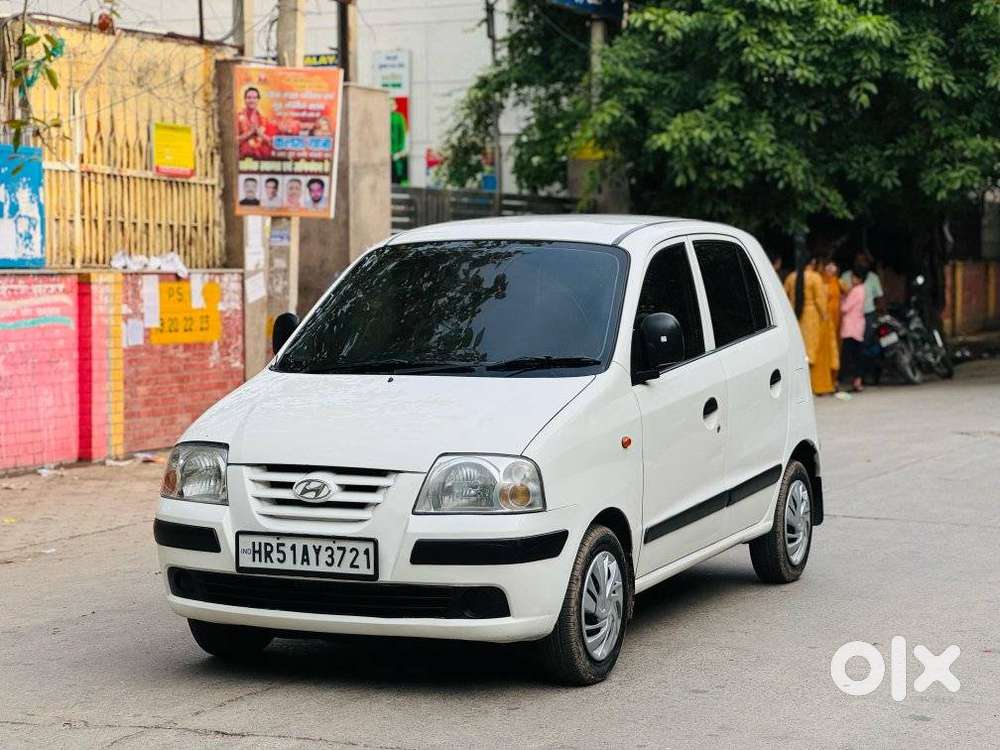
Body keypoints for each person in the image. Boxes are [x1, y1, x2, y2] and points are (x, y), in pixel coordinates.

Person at [784, 256, 830, 394]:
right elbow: (820, 299)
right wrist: (824, 316)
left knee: (799, 350)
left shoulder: (791, 277)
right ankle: (813, 386)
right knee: (812, 351)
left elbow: (784, 295)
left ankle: (798, 387)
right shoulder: (815, 277)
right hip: (812, 317)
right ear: (813, 263)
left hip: (794, 317)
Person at [840, 250, 884, 380]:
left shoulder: (873, 278)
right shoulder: (846, 276)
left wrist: (881, 312)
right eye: (859, 260)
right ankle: (856, 376)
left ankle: (861, 375)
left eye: (864, 260)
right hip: (854, 319)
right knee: (855, 348)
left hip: (867, 315)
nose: (861, 263)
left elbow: (879, 297)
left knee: (863, 345)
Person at [840, 267, 868, 392]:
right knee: (858, 355)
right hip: (858, 326)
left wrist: (841, 299)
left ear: (859, 279)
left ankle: (840, 381)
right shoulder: (862, 290)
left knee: (847, 356)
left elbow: (845, 308)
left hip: (851, 327)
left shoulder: (855, 291)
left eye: (853, 277)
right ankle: (858, 381)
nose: (851, 279)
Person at [821, 259, 842, 388]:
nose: (830, 272)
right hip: (825, 320)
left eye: (833, 270)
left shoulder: (839, 283)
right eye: (828, 269)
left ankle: (835, 379)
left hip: (837, 320)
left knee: (837, 350)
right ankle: (826, 380)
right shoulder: (821, 282)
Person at [237, 87, 271, 159]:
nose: (252, 100)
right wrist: (250, 133)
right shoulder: (237, 117)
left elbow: (271, 142)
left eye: (254, 98)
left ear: (258, 100)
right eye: (249, 98)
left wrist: (259, 133)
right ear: (245, 100)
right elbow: (232, 141)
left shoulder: (264, 119)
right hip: (242, 160)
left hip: (262, 160)